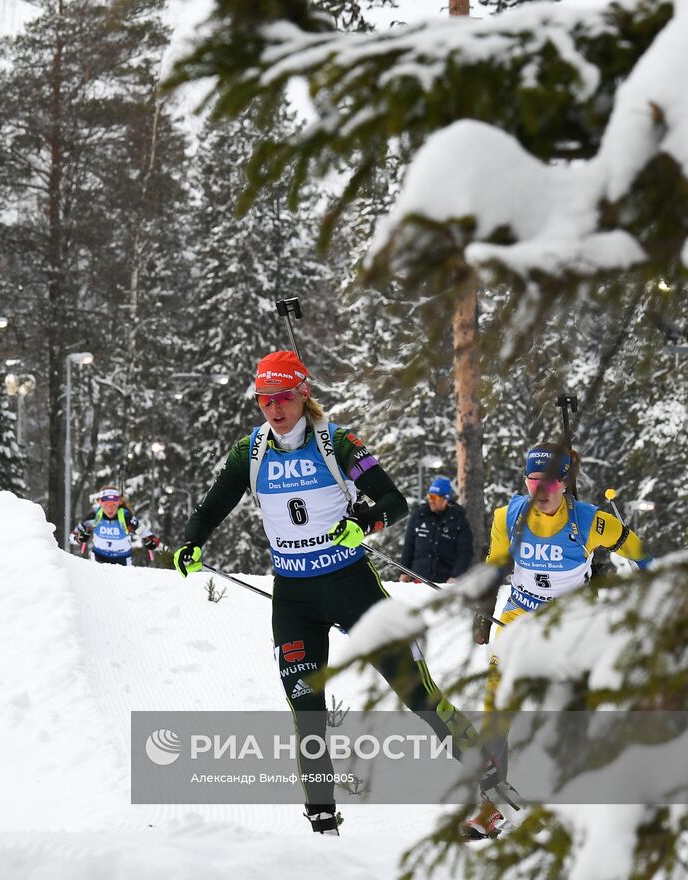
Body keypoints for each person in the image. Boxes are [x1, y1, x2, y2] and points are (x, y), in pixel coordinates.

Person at [172, 350, 483, 836]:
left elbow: (394, 501)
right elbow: (212, 507)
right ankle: (323, 826)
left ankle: (489, 780)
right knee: (308, 715)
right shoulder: (250, 452)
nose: (274, 408)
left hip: (351, 587)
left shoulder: (336, 442)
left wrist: (365, 522)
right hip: (295, 599)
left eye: (282, 397)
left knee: (418, 694)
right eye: (264, 400)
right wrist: (192, 542)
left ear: (303, 394)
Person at [464, 441, 650, 839]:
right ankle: (492, 804)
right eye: (533, 480)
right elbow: (494, 570)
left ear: (565, 482)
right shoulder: (508, 517)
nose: (540, 490)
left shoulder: (590, 521)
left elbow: (638, 550)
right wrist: (483, 612)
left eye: (549, 482)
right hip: (519, 614)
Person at [400, 476, 473, 583]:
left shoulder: (458, 520)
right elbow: (409, 546)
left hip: (444, 581)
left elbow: (465, 552)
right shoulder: (419, 516)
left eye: (435, 497)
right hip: (418, 578)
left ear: (445, 499)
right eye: (429, 496)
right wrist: (404, 572)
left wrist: (456, 576)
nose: (431, 500)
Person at [72, 486, 160, 566]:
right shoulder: (94, 516)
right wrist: (79, 538)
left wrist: (150, 541)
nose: (110, 509)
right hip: (99, 557)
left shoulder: (126, 516)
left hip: (122, 559)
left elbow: (146, 534)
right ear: (100, 502)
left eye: (113, 504)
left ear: (119, 502)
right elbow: (72, 538)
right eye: (106, 505)